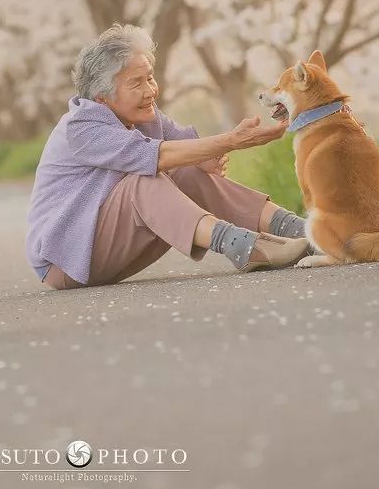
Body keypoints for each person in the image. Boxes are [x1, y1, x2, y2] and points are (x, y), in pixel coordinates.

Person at [26, 23, 309, 289]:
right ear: (102, 98)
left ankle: (304, 232)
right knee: (143, 180)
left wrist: (206, 157)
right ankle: (245, 247)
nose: (150, 90)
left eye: (149, 78)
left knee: (185, 172)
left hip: (107, 246)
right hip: (67, 258)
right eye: (136, 84)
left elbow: (186, 147)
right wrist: (231, 141)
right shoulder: (82, 126)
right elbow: (154, 156)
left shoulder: (142, 114)